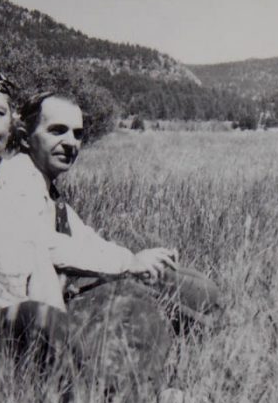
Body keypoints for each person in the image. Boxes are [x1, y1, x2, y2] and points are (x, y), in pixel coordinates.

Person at [0, 59, 174, 403]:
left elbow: (40, 262)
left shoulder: (13, 181)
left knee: (131, 299)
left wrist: (58, 323)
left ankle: (143, 395)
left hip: (22, 324)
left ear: (11, 121)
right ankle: (100, 396)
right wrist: (37, 326)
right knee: (39, 319)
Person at [17, 92, 221, 332]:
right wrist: (128, 263)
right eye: (57, 130)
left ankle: (208, 332)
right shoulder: (17, 181)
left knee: (199, 288)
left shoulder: (47, 187)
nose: (71, 142)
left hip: (70, 292)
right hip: (41, 311)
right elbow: (46, 246)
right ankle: (213, 338)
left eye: (77, 134)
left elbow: (86, 239)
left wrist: (141, 260)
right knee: (168, 306)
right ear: (25, 138)